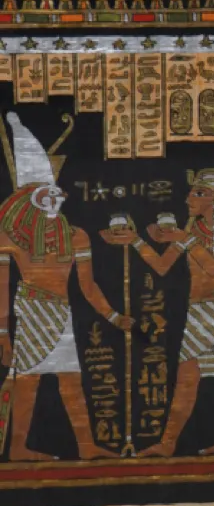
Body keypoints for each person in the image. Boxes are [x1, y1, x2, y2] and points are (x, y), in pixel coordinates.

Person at [0, 113, 133, 461]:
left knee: (71, 379)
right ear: (28, 199)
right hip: (31, 311)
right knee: (28, 380)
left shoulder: (76, 236)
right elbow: (1, 286)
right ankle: (18, 447)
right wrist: (2, 332)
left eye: (55, 194)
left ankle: (86, 445)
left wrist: (114, 317)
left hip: (61, 313)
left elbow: (87, 286)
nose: (54, 200)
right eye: (45, 195)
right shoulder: (11, 237)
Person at [104, 169, 214, 456]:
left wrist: (185, 239)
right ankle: (168, 444)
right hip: (198, 311)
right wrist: (135, 241)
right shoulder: (194, 232)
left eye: (199, 193)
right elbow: (162, 265)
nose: (189, 198)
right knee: (187, 377)